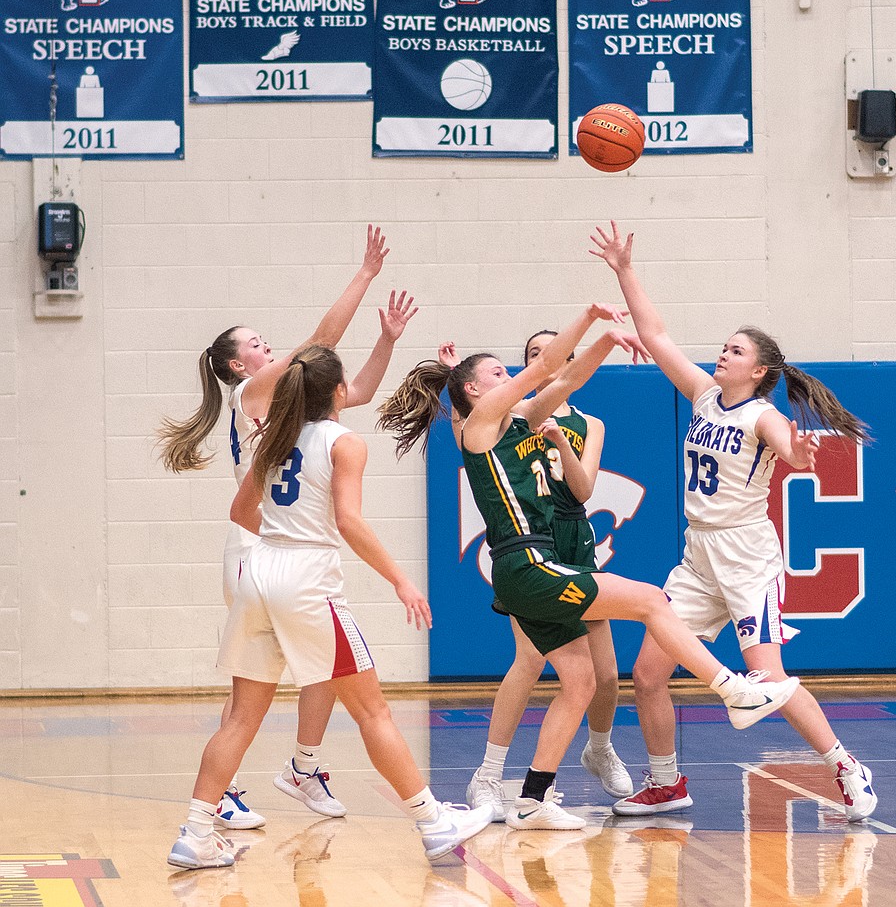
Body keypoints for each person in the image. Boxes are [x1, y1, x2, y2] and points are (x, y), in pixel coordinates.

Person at [377, 303, 799, 832]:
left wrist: (605, 342)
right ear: (475, 393)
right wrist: (589, 316)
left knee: (579, 682)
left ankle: (532, 800)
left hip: (544, 559)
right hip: (527, 561)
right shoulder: (482, 425)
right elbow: (544, 368)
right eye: (496, 374)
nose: (509, 378)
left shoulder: (522, 421)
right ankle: (732, 690)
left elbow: (565, 376)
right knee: (650, 601)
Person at [590, 221, 878, 822]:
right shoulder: (701, 395)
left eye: (735, 351)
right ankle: (666, 782)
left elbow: (791, 450)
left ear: (758, 372)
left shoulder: (763, 416)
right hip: (699, 555)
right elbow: (657, 334)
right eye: (723, 346)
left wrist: (798, 456)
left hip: (747, 556)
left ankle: (846, 766)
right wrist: (624, 270)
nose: (722, 354)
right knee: (646, 674)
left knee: (767, 681)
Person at [167, 345, 494, 870]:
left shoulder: (270, 435)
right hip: (306, 583)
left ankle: (195, 835)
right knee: (372, 710)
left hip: (259, 572)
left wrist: (281, 539)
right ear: (339, 391)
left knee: (241, 719)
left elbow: (239, 511)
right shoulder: (345, 441)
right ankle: (434, 823)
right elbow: (349, 522)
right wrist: (400, 579)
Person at [157, 226, 406, 829]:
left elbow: (361, 390)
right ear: (238, 365)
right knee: (256, 689)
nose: (270, 349)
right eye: (259, 344)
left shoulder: (295, 400)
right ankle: (233, 789)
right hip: (259, 546)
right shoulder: (251, 393)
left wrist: (387, 339)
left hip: (280, 546)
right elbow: (319, 342)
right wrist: (365, 274)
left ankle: (302, 766)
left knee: (312, 666)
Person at [442, 332, 633, 822]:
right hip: (529, 545)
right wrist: (454, 382)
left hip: (572, 538)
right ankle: (490, 776)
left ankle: (597, 750)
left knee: (601, 674)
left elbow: (584, 488)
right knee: (529, 661)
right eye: (522, 359)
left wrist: (605, 339)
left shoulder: (582, 421)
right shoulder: (514, 415)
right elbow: (472, 432)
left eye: (535, 359)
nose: (527, 366)